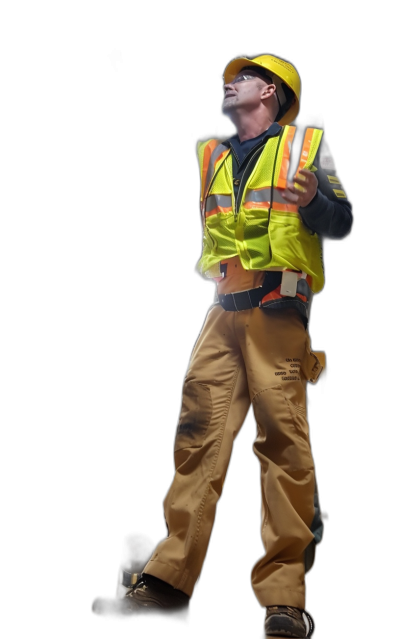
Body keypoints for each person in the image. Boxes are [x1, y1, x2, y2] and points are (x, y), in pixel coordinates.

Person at [91, 53, 354, 637]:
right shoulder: (213, 155)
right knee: (196, 443)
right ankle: (167, 583)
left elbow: (340, 221)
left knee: (283, 448)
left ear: (269, 91)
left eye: (242, 76)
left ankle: (285, 600)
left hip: (277, 313)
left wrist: (312, 200)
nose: (228, 82)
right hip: (220, 315)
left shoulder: (304, 150)